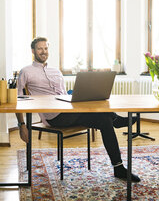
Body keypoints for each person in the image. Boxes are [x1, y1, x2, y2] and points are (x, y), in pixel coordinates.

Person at [15, 37, 140, 182]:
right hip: (54, 117)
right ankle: (116, 119)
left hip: (70, 110)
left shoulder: (56, 71)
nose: (43, 52)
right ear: (33, 51)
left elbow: (63, 94)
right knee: (102, 115)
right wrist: (21, 125)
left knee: (104, 120)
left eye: (46, 48)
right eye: (40, 48)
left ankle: (119, 168)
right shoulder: (26, 71)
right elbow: (18, 100)